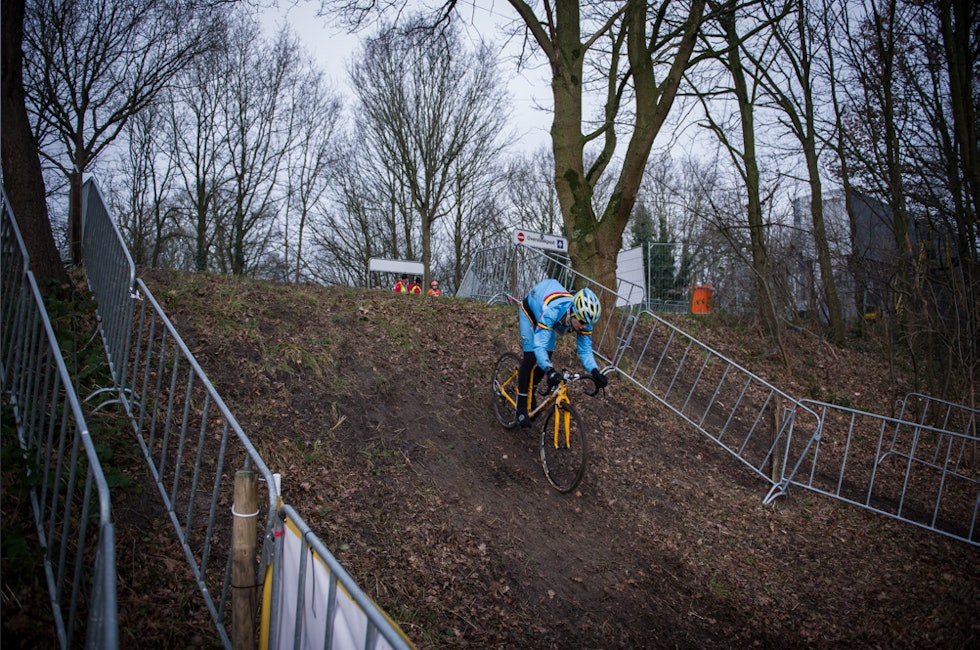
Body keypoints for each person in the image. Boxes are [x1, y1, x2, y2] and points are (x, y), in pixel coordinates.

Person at [515, 280, 608, 428]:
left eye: (587, 324)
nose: (584, 326)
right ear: (573, 312)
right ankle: (520, 406)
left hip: (550, 319)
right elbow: (539, 344)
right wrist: (550, 371)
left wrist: (595, 371)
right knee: (532, 357)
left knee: (547, 357)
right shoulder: (553, 311)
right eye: (582, 322)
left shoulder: (584, 319)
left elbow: (585, 350)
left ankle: (531, 390)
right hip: (531, 311)